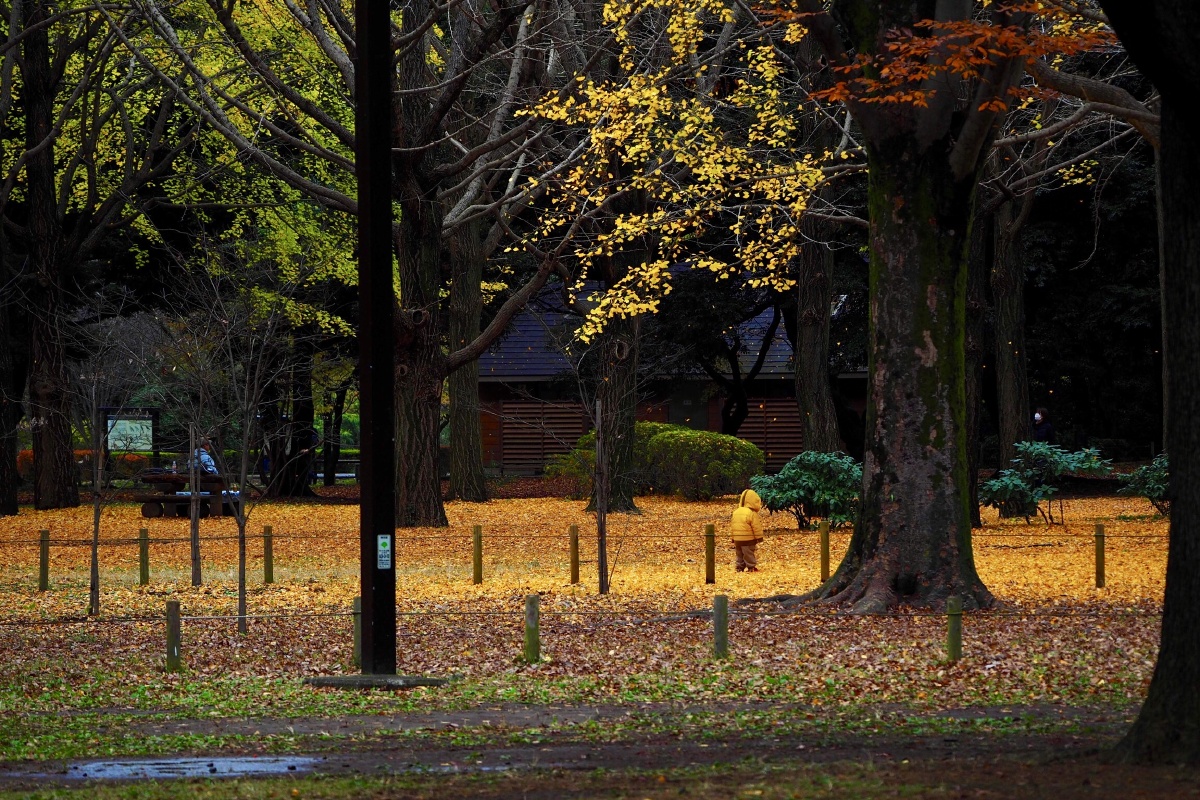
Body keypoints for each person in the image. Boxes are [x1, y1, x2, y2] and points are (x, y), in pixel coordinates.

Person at [730, 488, 764, 573]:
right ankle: (751, 567)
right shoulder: (751, 513)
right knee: (748, 553)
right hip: (748, 539)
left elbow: (733, 526)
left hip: (737, 539)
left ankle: (739, 567)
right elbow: (756, 527)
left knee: (739, 554)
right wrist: (759, 537)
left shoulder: (736, 512)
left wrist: (733, 537)